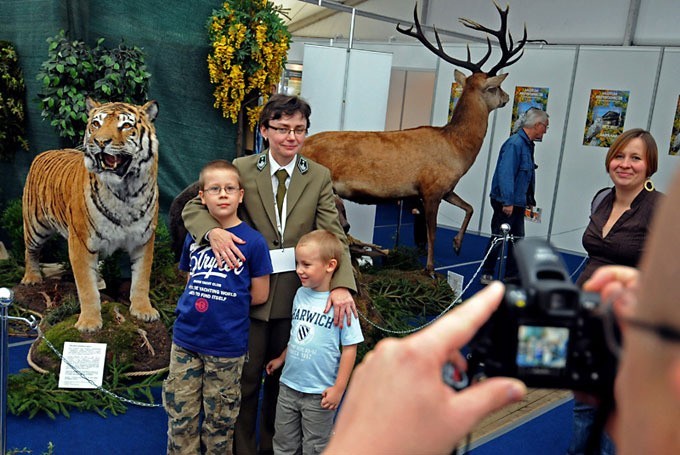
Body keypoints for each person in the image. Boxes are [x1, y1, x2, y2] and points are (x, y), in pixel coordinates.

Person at [324, 166, 680, 455]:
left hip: (611, 314)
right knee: (588, 406)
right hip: (592, 294)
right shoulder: (603, 201)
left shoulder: (655, 209)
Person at [182, 94, 357, 454]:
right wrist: (211, 231)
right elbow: (193, 205)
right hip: (249, 295)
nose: (291, 137)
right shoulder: (241, 169)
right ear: (264, 131)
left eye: (299, 130)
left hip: (297, 296)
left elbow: (334, 234)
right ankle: (241, 449)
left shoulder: (318, 176)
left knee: (284, 382)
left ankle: (275, 449)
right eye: (281, 129)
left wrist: (341, 286)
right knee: (244, 381)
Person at [164, 160, 273, 454]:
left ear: (240, 195)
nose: (222, 194)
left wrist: (226, 303)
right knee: (180, 415)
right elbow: (188, 277)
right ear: (202, 196)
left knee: (220, 421)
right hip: (186, 339)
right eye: (214, 189)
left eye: (229, 188)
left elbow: (260, 294)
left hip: (225, 346)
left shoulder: (253, 243)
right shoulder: (195, 238)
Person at [569, 128, 662, 455]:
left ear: (649, 165)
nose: (625, 164)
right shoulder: (602, 198)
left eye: (635, 158)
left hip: (629, 323)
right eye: (619, 156)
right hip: (588, 310)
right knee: (584, 396)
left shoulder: (659, 209)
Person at [265, 230, 363, 454]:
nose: (299, 270)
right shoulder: (300, 295)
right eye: (298, 263)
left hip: (320, 394)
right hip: (289, 386)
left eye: (306, 265)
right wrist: (281, 358)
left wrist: (339, 388)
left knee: (316, 446)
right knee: (283, 442)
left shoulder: (342, 306)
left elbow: (350, 348)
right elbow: (298, 334)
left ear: (330, 266)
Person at [480, 107, 549, 284]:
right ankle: (486, 272)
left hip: (518, 201)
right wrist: (507, 201)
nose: (546, 130)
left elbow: (527, 176)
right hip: (506, 201)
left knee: (517, 240)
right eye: (545, 126)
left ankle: (512, 274)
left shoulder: (526, 144)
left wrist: (529, 200)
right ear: (537, 125)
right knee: (498, 237)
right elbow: (506, 174)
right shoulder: (515, 144)